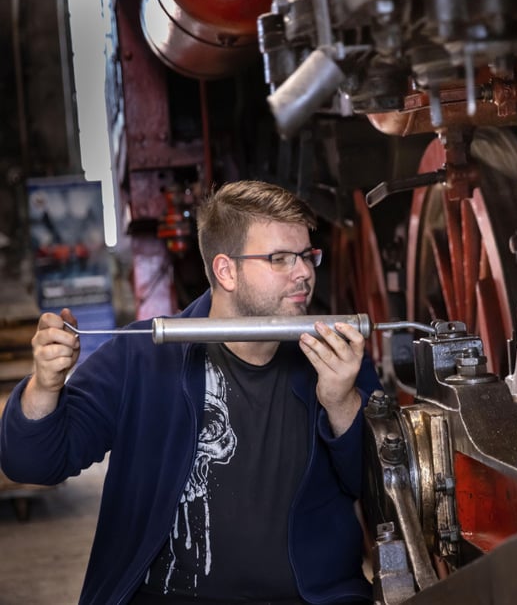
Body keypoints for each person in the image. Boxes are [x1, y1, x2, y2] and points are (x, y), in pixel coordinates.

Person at [0, 180, 380, 604]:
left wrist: (341, 403)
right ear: (225, 270)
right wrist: (45, 386)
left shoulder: (336, 359)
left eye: (308, 256)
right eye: (280, 259)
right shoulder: (142, 357)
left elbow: (376, 490)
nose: (305, 272)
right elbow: (30, 463)